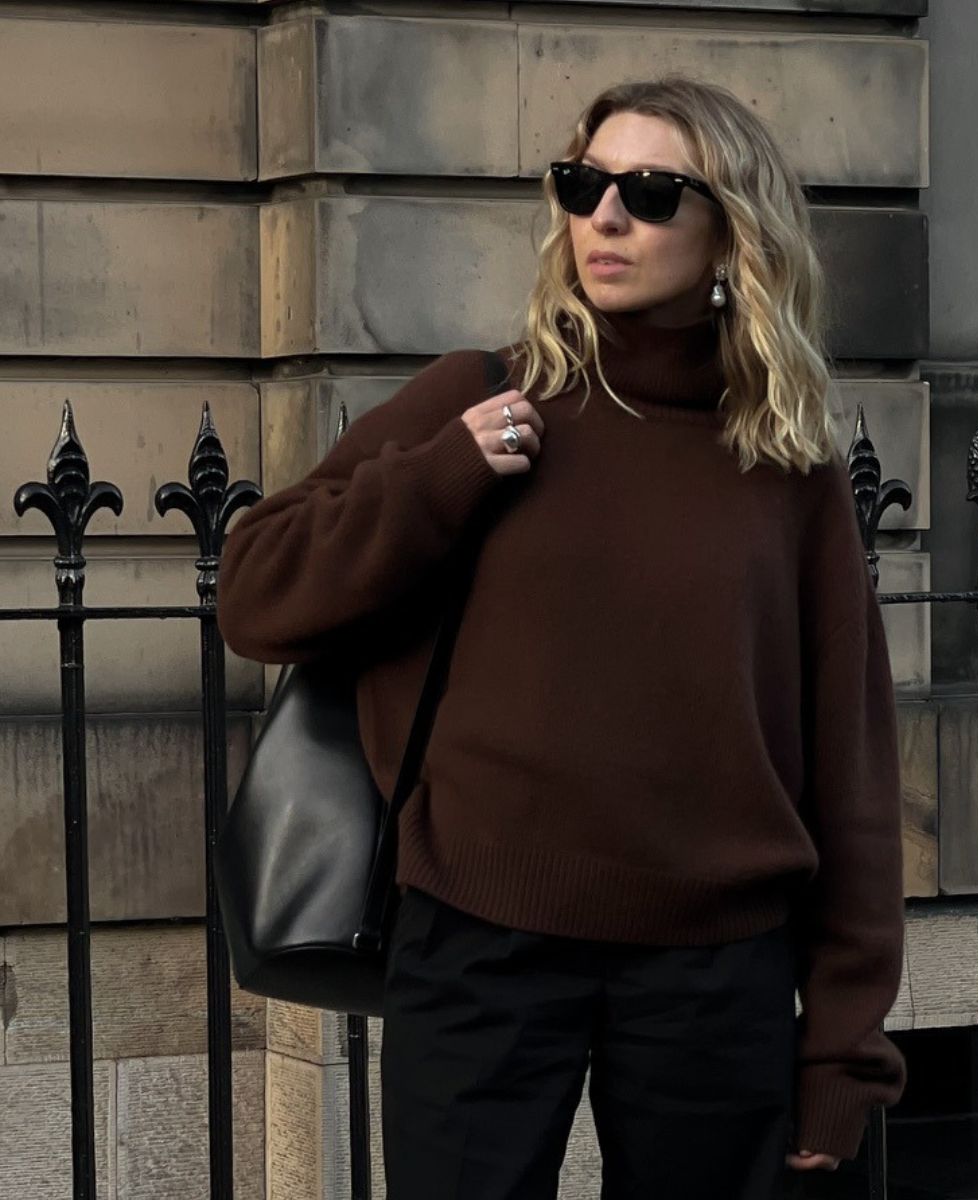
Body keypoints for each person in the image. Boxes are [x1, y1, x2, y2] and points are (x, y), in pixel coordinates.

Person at [217, 75, 907, 1200]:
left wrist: (843, 1051)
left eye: (649, 191)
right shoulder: (486, 398)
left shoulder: (788, 468)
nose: (606, 218)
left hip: (714, 969)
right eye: (583, 185)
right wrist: (440, 478)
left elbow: (853, 774)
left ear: (734, 231)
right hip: (479, 946)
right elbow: (254, 595)